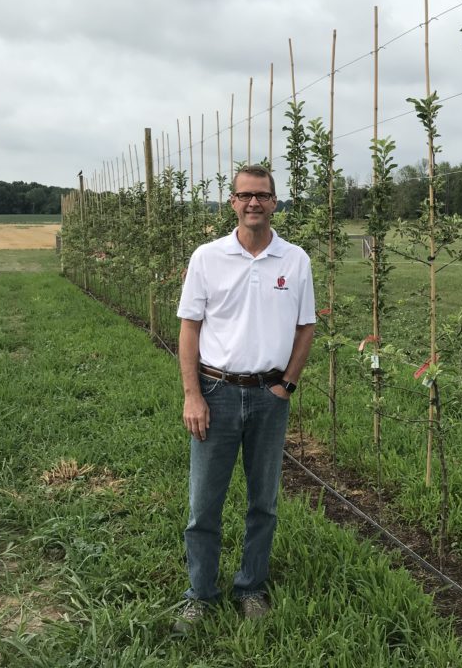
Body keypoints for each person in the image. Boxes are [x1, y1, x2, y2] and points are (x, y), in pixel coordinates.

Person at [173, 164, 316, 633]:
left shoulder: (295, 260)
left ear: (276, 202)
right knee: (204, 505)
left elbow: (306, 326)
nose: (253, 203)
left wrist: (286, 386)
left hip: (268, 397)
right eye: (244, 195)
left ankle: (251, 588)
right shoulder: (207, 257)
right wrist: (193, 394)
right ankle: (200, 594)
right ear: (231, 202)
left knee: (264, 502)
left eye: (263, 195)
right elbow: (189, 327)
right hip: (215, 393)